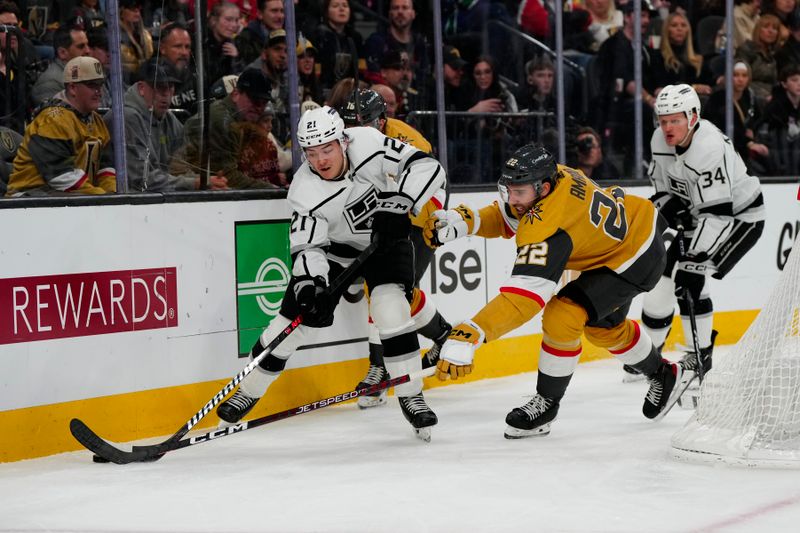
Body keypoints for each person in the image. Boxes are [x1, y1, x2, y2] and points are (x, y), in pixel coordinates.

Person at [216, 105, 447, 441]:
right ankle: (248, 391)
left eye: (327, 149)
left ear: (343, 141)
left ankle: (411, 394)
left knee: (389, 307)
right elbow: (309, 248)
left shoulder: (368, 141)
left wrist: (401, 202)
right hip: (337, 252)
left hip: (385, 242)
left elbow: (427, 166)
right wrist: (312, 284)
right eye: (311, 152)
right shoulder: (304, 190)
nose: (321, 160)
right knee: (291, 322)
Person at [425, 143, 677, 438]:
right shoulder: (553, 178)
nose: (512, 198)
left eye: (519, 192)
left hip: (635, 255)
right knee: (602, 329)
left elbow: (523, 300)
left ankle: (547, 403)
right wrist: (468, 222)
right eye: (510, 189)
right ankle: (663, 373)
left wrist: (473, 332)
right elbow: (511, 215)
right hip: (630, 232)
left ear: (543, 189)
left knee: (563, 315)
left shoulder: (549, 225)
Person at [640, 84, 765, 377]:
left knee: (690, 279)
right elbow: (660, 188)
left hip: (740, 219)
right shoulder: (660, 139)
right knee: (661, 282)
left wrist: (694, 258)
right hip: (700, 215)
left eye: (676, 120)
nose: (668, 127)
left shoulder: (708, 148)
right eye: (664, 119)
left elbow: (719, 215)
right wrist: (670, 205)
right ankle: (648, 358)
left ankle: (701, 355)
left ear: (693, 117)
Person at [338, 88, 451, 408]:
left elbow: (422, 190)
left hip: (423, 215)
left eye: (363, 126)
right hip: (388, 213)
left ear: (383, 121)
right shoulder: (351, 140)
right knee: (391, 293)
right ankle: (442, 337)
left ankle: (380, 368)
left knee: (391, 292)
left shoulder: (407, 143)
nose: (354, 134)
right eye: (350, 126)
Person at [109, 58, 228, 192]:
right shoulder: (126, 117)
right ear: (142, 88)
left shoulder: (169, 120)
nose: (166, 94)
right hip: (128, 201)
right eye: (159, 87)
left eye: (170, 87)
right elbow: (141, 179)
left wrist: (208, 181)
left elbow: (180, 168)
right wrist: (194, 183)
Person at [7, 56, 115, 196]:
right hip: (29, 197)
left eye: (100, 84)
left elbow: (105, 167)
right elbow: (60, 176)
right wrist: (103, 198)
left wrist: (113, 193)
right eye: (91, 85)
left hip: (70, 196)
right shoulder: (52, 120)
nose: (98, 91)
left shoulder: (96, 120)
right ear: (72, 88)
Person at [181, 68, 276, 189]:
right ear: (236, 94)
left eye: (264, 103)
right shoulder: (223, 121)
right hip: (187, 184)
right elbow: (228, 177)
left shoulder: (237, 119)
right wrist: (271, 189)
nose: (260, 108)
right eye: (255, 101)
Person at [31, 23, 89, 106]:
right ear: (62, 53)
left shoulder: (82, 74)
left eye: (87, 45)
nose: (88, 51)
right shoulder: (50, 84)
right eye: (81, 46)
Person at [758, 63, 800, 175]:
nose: (799, 84)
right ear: (784, 84)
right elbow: (766, 134)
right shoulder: (774, 107)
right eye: (794, 80)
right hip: (778, 159)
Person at [158, 22, 197, 120]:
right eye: (178, 46)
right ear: (162, 48)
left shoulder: (196, 77)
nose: (184, 52)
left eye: (187, 47)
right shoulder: (151, 78)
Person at [236, 0, 285, 65]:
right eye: (274, 11)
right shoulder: (246, 39)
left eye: (282, 11)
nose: (280, 16)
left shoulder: (290, 37)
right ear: (260, 14)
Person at [118, 0, 154, 82]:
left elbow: (149, 57)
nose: (136, 11)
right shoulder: (116, 37)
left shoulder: (144, 35)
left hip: (146, 77)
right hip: (126, 80)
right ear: (121, 12)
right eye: (132, 9)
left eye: (138, 8)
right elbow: (128, 64)